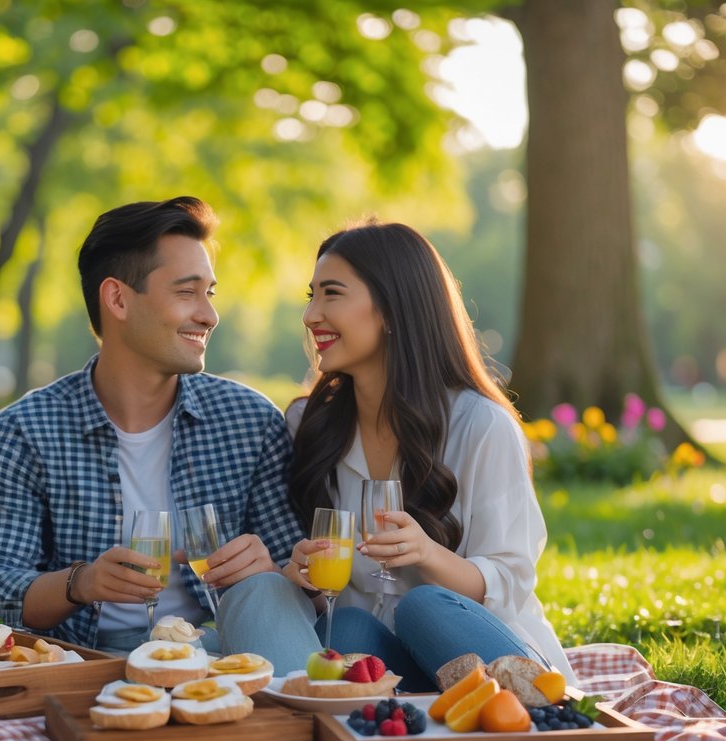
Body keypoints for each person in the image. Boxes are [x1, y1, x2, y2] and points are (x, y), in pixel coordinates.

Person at [216, 220, 575, 689]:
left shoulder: (481, 425)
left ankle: (535, 714)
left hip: (487, 656)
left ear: (390, 309)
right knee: (342, 629)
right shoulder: (311, 424)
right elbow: (330, 595)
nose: (310, 314)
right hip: (388, 668)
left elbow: (509, 582)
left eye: (331, 294)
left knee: (422, 607)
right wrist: (302, 573)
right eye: (312, 295)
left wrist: (427, 553)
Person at [0, 196, 303, 653]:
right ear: (118, 299)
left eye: (210, 293)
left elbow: (300, 585)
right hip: (87, 662)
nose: (209, 315)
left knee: (272, 601)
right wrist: (81, 583)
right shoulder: (25, 431)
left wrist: (271, 572)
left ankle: (309, 715)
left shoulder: (250, 421)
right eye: (187, 292)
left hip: (227, 649)